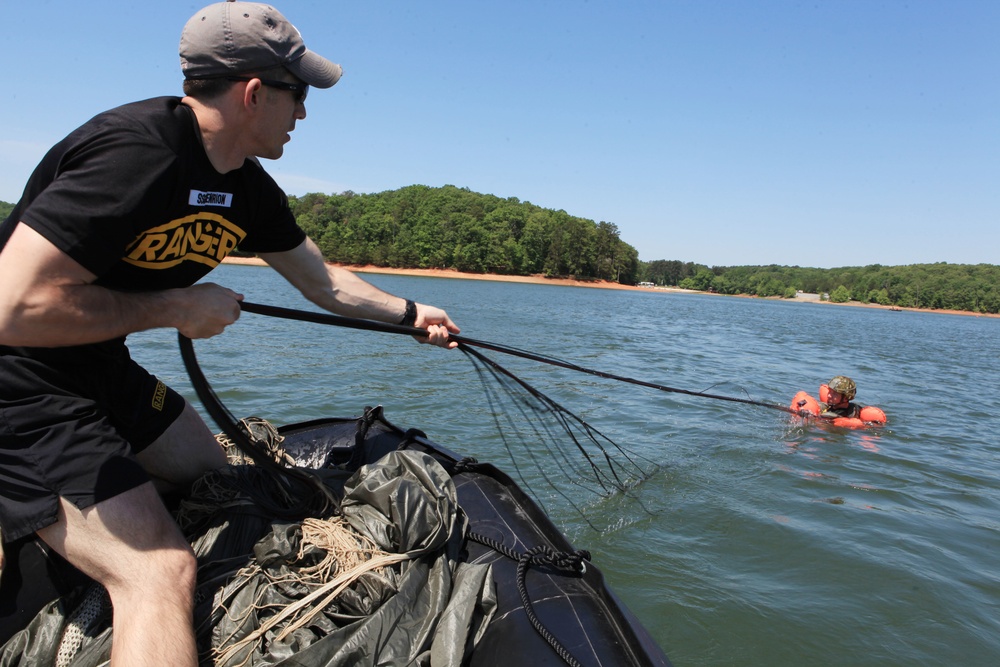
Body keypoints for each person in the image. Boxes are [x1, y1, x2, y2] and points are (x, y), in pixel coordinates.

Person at [0, 2, 459, 664]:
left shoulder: (246, 187)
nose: (303, 112)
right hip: (18, 378)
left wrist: (414, 316)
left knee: (214, 473)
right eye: (297, 94)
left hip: (95, 364)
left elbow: (323, 283)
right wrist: (176, 308)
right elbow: (12, 307)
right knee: (159, 573)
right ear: (252, 92)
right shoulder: (135, 154)